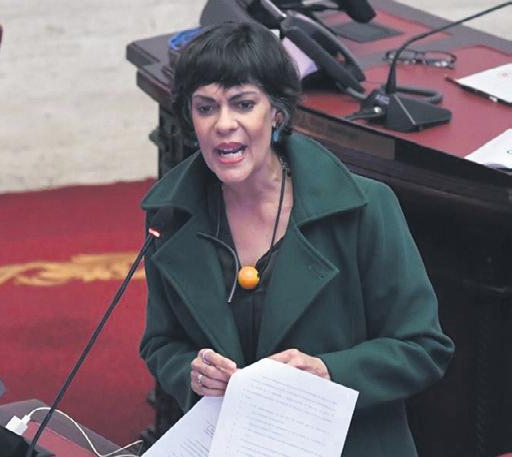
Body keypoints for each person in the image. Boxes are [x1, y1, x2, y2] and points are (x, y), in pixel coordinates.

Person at [140, 21, 454, 456]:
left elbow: (424, 347)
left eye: (243, 104)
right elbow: (161, 342)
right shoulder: (171, 215)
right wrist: (192, 374)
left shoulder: (366, 207)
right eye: (206, 108)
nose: (224, 124)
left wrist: (328, 372)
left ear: (277, 113)